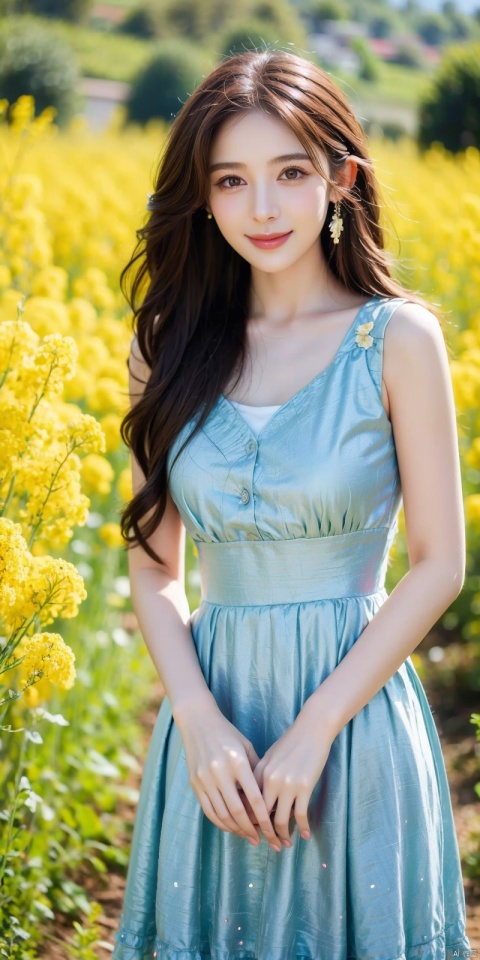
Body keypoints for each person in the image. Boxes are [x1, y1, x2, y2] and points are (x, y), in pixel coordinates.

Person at [112, 49, 472, 960]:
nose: (262, 209)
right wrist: (195, 720)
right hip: (215, 728)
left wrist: (316, 728)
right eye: (232, 181)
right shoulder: (167, 349)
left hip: (352, 720)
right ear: (201, 197)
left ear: (341, 179)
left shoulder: (398, 339)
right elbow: (155, 567)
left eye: (291, 173)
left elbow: (438, 563)